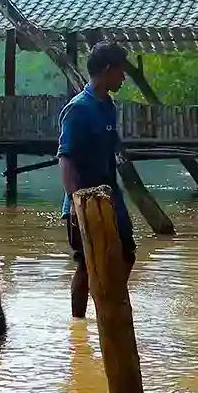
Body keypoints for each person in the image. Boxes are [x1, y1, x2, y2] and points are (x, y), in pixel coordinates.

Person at [58, 41, 135, 319]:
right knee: (86, 264)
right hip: (85, 200)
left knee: (127, 255)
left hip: (111, 196)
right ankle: (78, 325)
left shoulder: (108, 105)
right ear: (106, 70)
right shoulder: (78, 109)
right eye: (120, 72)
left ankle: (107, 305)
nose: (123, 78)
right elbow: (66, 159)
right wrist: (78, 205)